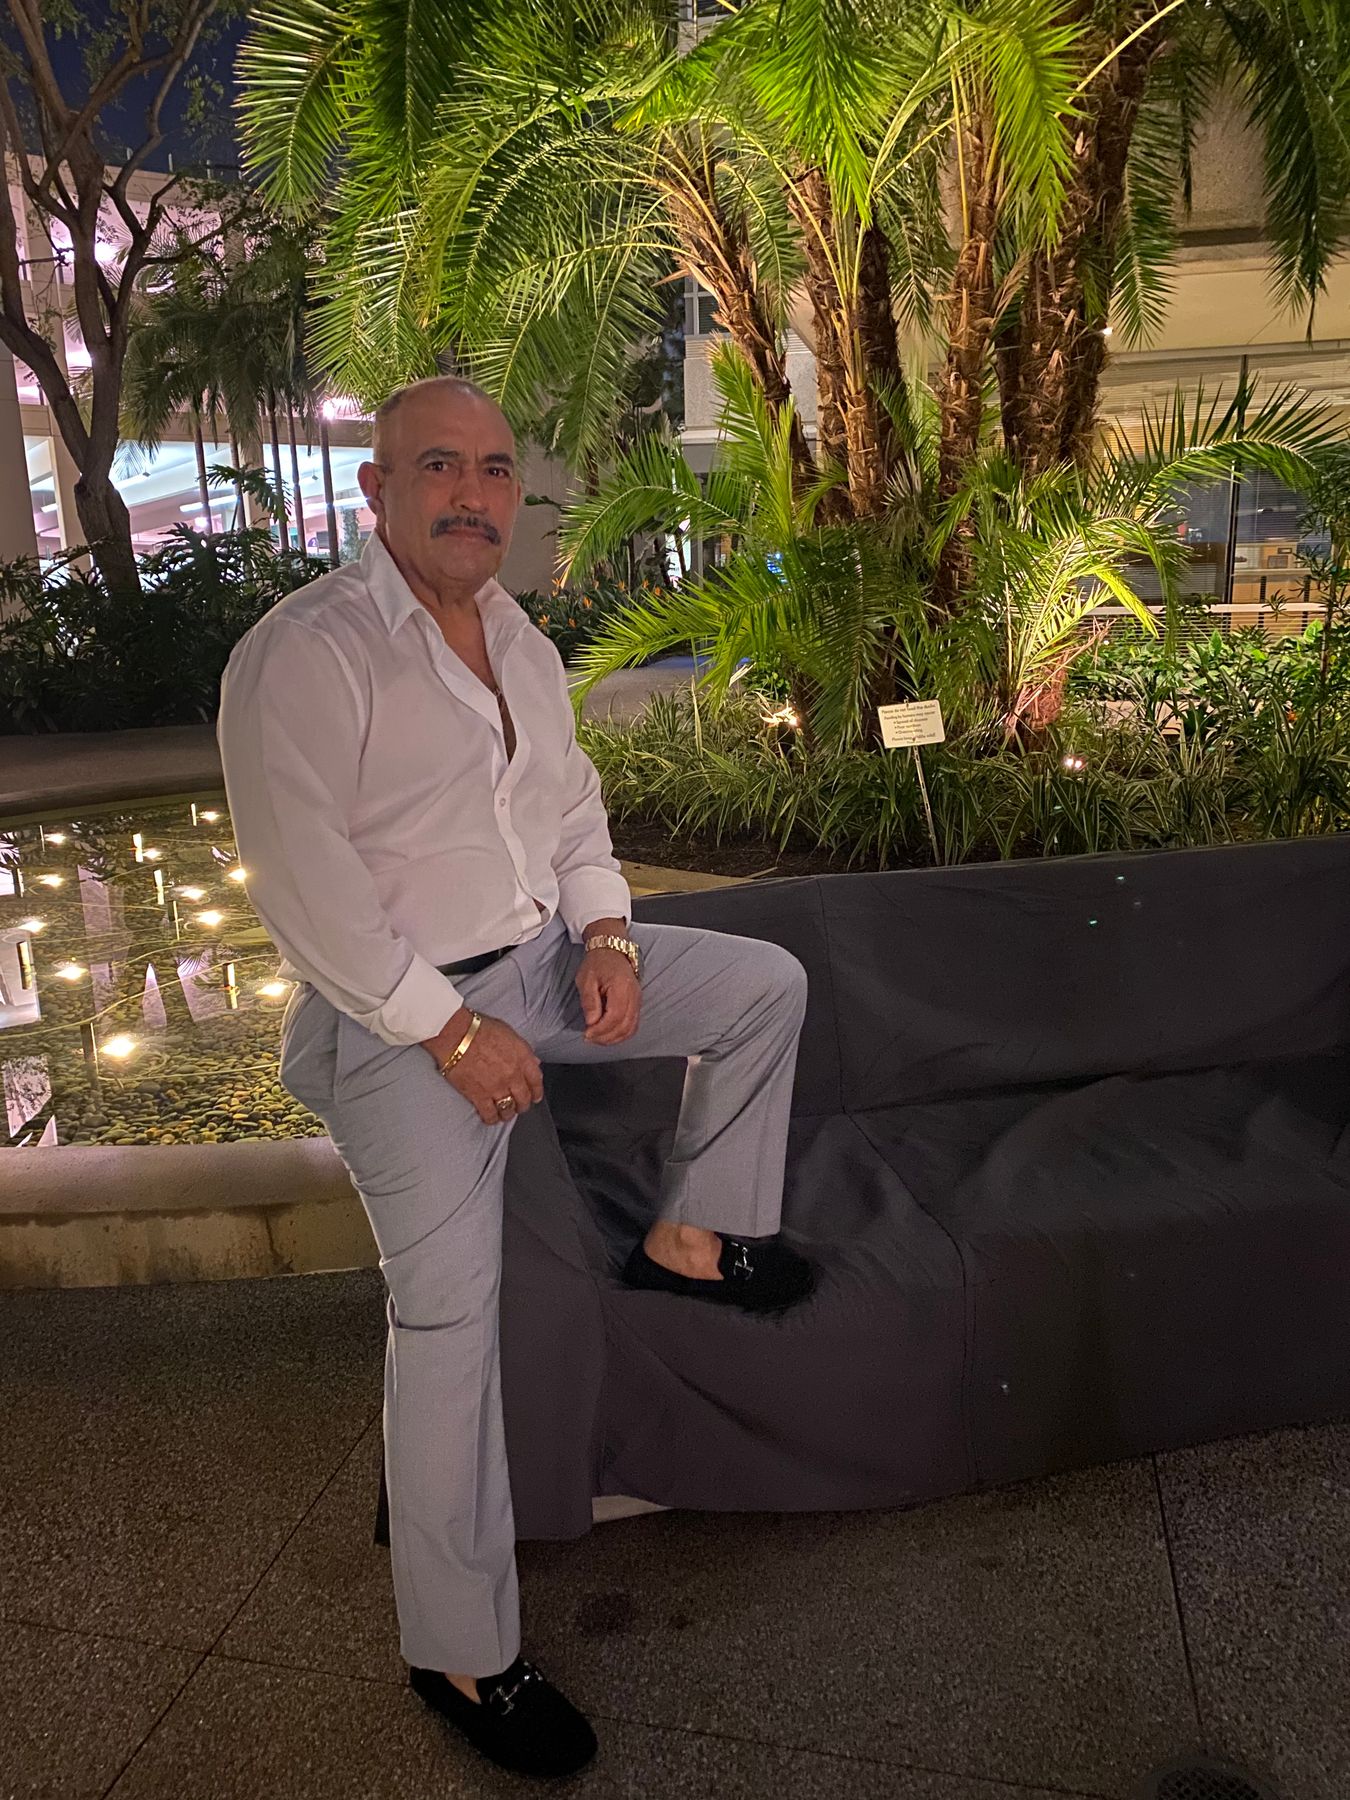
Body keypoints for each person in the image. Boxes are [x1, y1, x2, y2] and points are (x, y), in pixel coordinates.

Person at [217, 376, 814, 1781]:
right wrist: (448, 1032)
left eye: (494, 468)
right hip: (399, 1015)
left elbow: (572, 814)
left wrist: (606, 933)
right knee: (447, 1321)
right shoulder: (303, 654)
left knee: (764, 986)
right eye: (441, 465)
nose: (474, 493)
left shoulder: (522, 640)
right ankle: (460, 1652)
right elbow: (303, 887)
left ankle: (689, 1237)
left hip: (539, 966)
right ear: (376, 490)